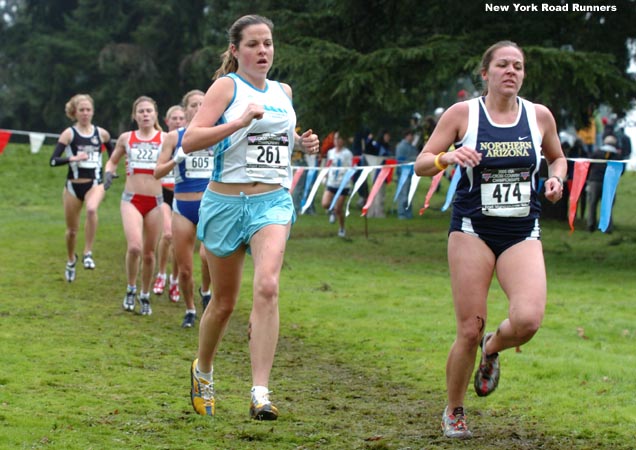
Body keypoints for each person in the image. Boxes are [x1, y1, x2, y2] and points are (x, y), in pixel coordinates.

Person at [414, 40, 567, 439]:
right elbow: (421, 164)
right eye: (502, 65)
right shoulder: (463, 114)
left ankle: (493, 347)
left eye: (517, 66)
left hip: (521, 230)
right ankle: (454, 410)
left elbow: (558, 157)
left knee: (529, 321)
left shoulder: (539, 116)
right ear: (486, 73)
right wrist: (448, 157)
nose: (511, 71)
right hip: (472, 230)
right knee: (467, 328)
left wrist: (556, 179)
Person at [181, 14, 319, 420]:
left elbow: (275, 139)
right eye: (254, 44)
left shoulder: (283, 90)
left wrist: (300, 143)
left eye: (268, 43)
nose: (263, 51)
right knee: (223, 303)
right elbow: (191, 140)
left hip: (272, 202)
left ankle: (260, 391)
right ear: (235, 50)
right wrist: (239, 121)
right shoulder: (226, 87)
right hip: (225, 204)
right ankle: (203, 369)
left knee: (268, 285)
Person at [154, 90, 213, 328]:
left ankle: (206, 291)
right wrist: (175, 159)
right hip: (183, 205)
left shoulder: (216, 135)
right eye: (193, 105)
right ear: (185, 109)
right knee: (185, 269)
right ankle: (190, 309)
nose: (198, 108)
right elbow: (157, 172)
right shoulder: (173, 138)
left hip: (211, 204)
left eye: (203, 104)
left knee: (207, 255)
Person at [104, 96, 166, 316]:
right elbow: (112, 160)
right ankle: (131, 288)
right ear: (135, 115)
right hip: (132, 199)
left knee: (149, 254)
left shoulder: (165, 138)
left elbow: (176, 162)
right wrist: (108, 172)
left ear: (155, 114)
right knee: (135, 247)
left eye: (149, 111)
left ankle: (145, 294)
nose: (145, 114)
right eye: (141, 111)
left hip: (156, 202)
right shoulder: (126, 138)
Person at [50, 94, 113, 282]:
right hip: (72, 186)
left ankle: (87, 253)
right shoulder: (69, 134)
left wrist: (110, 171)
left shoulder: (101, 134)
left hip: (95, 184)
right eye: (81, 110)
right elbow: (53, 160)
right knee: (71, 231)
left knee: (92, 209)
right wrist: (72, 158)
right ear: (74, 112)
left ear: (93, 112)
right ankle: (71, 259)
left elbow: (114, 157)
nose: (85, 113)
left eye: (88, 110)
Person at [153, 105, 185, 302]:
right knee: (167, 234)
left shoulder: (189, 140)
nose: (178, 121)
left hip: (183, 194)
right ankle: (161, 274)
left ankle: (175, 280)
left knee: (180, 242)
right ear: (167, 121)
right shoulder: (162, 141)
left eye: (181, 118)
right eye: (174, 118)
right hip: (164, 193)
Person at [585, 135, 621, 232]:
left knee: (592, 204)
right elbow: (621, 170)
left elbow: (588, 165)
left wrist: (588, 179)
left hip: (595, 181)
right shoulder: (617, 156)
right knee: (607, 205)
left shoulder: (596, 153)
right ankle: (607, 227)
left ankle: (591, 225)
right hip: (609, 183)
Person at [321, 131, 353, 236]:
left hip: (342, 184)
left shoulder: (347, 154)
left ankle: (342, 228)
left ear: (343, 140)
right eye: (335, 139)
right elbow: (328, 165)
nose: (337, 141)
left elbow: (351, 169)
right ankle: (332, 212)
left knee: (339, 209)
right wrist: (324, 176)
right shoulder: (331, 152)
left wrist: (349, 181)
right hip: (331, 182)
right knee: (325, 204)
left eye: (339, 138)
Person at [394, 129, 419, 219]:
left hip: (412, 173)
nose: (412, 138)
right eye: (411, 135)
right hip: (403, 174)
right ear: (407, 135)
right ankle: (401, 213)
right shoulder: (401, 146)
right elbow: (400, 160)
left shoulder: (412, 147)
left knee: (410, 194)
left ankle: (408, 213)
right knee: (403, 195)